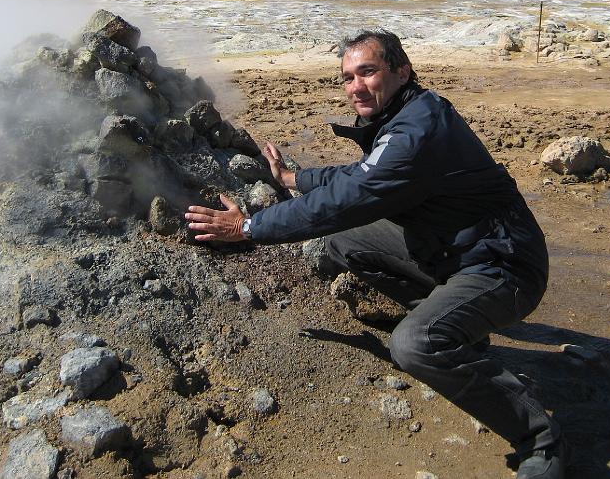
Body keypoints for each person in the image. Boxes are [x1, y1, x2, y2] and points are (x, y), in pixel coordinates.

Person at [186, 30, 565, 478]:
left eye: (367, 71)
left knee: (415, 343)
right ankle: (457, 330)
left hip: (504, 264)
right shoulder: (405, 113)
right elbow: (360, 176)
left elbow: (351, 197)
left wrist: (247, 227)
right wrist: (296, 179)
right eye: (347, 77)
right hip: (451, 247)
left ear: (402, 71)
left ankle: (539, 439)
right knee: (347, 241)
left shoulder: (418, 129)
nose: (355, 87)